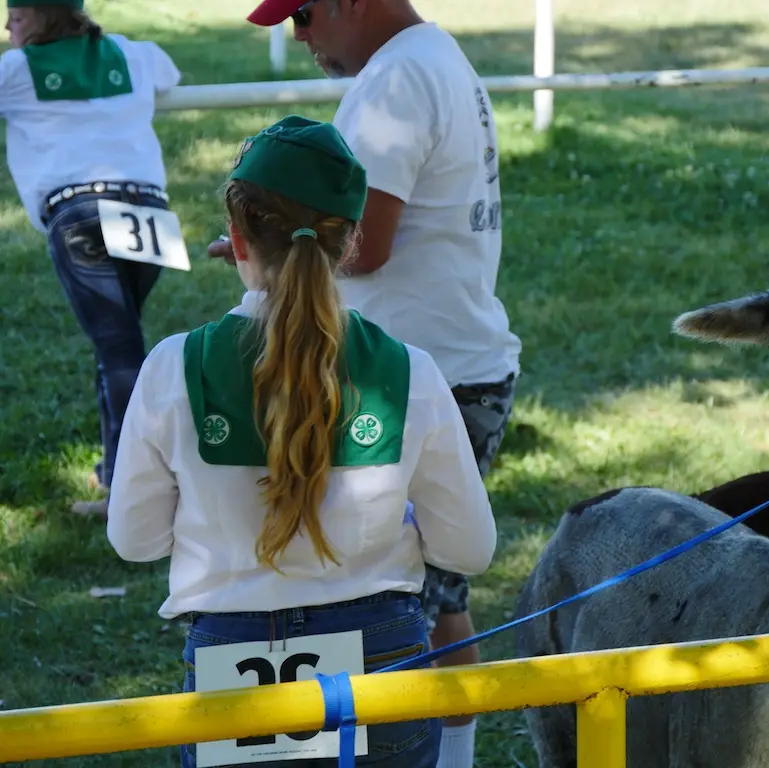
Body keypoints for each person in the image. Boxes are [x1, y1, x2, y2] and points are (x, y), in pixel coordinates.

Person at [106, 115, 497, 768]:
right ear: (347, 244)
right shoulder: (410, 371)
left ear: (236, 237)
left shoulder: (174, 366)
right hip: (385, 665)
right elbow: (470, 549)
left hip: (228, 664)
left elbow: (135, 539)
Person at [210, 2, 522, 765]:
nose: (301, 36)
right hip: (444, 369)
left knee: (387, 600)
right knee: (431, 598)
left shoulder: (395, 81)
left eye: (307, 14)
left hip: (413, 381)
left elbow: (365, 248)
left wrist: (272, 254)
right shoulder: (429, 56)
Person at [0, 0, 181, 516]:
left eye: (20, 13)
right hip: (150, 208)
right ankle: (119, 474)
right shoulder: (131, 53)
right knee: (120, 347)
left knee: (120, 351)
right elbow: (171, 71)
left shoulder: (15, 70)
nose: (9, 23)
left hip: (81, 212)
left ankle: (139, 493)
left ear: (49, 15)